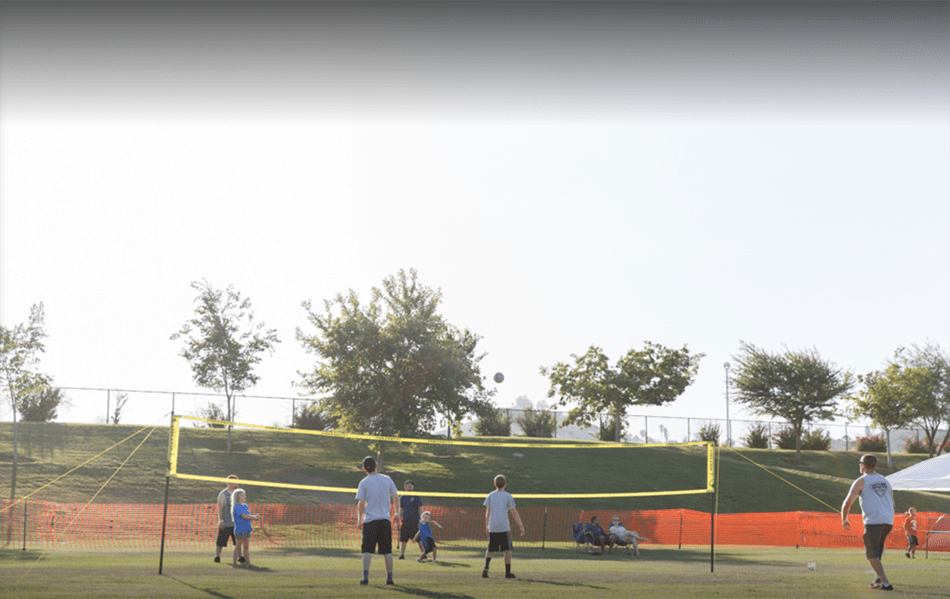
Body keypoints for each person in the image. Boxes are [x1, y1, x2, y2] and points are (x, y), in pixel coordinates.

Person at [841, 454, 895, 591]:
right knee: (877, 552)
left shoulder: (861, 481)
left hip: (874, 521)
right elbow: (892, 503)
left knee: (871, 555)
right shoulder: (885, 480)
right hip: (888, 521)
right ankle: (877, 580)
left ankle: (886, 583)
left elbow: (848, 501)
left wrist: (844, 518)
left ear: (863, 465)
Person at [355, 456, 400, 586]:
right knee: (387, 551)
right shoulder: (387, 479)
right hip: (385, 520)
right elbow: (396, 497)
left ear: (364, 468)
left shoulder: (363, 482)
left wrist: (359, 520)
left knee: (367, 551)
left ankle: (365, 578)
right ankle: (390, 579)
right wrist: (396, 513)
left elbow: (361, 504)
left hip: (370, 520)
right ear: (376, 465)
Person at [482, 474, 525, 579]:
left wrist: (487, 526)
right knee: (507, 550)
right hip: (504, 526)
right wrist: (521, 526)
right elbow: (514, 512)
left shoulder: (490, 495)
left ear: (494, 484)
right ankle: (507, 573)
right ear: (505, 484)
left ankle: (486, 568)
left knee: (490, 549)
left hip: (493, 526)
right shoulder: (508, 496)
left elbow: (487, 513)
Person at [231, 488, 260, 568]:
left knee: (246, 547)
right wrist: (254, 517)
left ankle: (248, 564)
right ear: (238, 497)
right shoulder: (237, 506)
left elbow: (248, 517)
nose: (244, 497)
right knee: (238, 546)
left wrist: (255, 518)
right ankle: (234, 564)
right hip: (240, 530)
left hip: (247, 529)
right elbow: (244, 516)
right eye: (242, 496)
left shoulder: (245, 506)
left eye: (244, 496)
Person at [214, 474, 240, 563]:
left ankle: (240, 557)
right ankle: (217, 556)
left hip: (236, 523)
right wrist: (221, 520)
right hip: (226, 522)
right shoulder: (223, 494)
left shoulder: (238, 493)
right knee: (221, 541)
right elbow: (220, 508)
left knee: (238, 541)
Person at [398, 479, 424, 559]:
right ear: (405, 487)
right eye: (408, 485)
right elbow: (401, 509)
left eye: (411, 485)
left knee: (418, 539)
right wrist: (398, 519)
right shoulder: (402, 497)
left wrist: (422, 519)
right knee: (403, 539)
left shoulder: (416, 496)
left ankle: (424, 554)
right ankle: (402, 555)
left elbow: (420, 508)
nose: (410, 486)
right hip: (405, 521)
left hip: (415, 521)